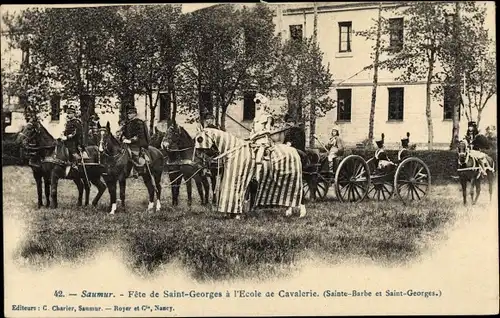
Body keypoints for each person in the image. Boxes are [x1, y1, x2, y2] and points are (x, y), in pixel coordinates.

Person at [120, 107, 150, 178]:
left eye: (130, 113)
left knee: (134, 154)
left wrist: (130, 140)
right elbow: (124, 133)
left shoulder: (139, 122)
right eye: (128, 114)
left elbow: (140, 135)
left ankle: (136, 171)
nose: (128, 115)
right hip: (127, 143)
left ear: (135, 114)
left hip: (137, 143)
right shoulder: (128, 123)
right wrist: (123, 137)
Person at [61, 105, 88, 173]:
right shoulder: (69, 122)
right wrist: (63, 135)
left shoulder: (76, 122)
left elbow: (76, 133)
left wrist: (67, 137)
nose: (68, 115)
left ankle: (74, 164)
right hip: (67, 141)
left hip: (74, 141)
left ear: (73, 114)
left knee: (71, 150)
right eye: (68, 113)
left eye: (70, 113)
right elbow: (66, 131)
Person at [250, 93, 274, 162]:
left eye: (260, 103)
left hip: (263, 141)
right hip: (254, 141)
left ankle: (261, 171)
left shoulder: (268, 117)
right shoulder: (255, 118)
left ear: (264, 104)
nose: (258, 105)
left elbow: (268, 131)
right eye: (257, 103)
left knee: (258, 160)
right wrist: (251, 135)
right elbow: (252, 130)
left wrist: (257, 134)